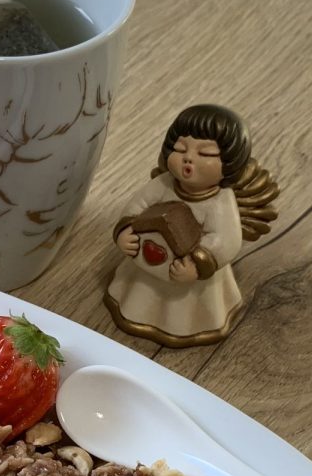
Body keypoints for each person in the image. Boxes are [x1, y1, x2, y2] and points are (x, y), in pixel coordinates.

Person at [104, 104, 277, 347]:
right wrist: (125, 231)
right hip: (145, 265)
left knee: (182, 308)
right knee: (140, 294)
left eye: (205, 154)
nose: (188, 158)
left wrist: (197, 264)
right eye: (181, 149)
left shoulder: (220, 201)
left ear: (228, 163)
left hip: (192, 280)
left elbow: (225, 239)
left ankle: (182, 323)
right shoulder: (164, 183)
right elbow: (137, 204)